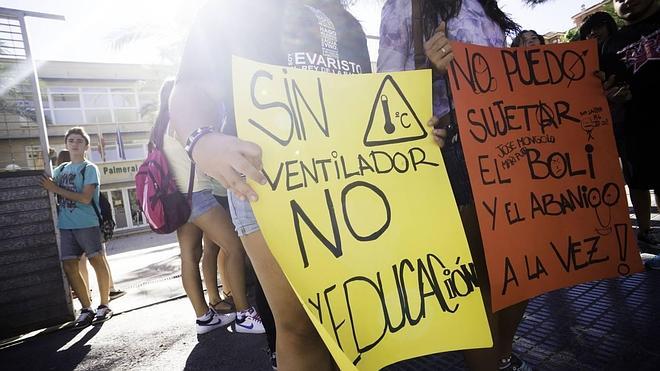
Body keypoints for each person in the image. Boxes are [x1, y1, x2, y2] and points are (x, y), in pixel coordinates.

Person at [169, 1, 371, 369]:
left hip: (351, 182)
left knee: (357, 318)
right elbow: (190, 86)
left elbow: (366, 101)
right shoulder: (234, 9)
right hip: (268, 184)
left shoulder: (348, 22)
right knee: (298, 325)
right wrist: (201, 139)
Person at [378, 1, 531, 371]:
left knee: (522, 269)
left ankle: (502, 356)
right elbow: (383, 91)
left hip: (506, 148)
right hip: (454, 154)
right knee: (480, 281)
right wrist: (428, 69)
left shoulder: (486, 7)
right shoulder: (405, 5)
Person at [155, 79, 265, 336]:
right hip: (198, 196)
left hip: (178, 200)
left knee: (189, 257)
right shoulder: (181, 123)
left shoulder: (160, 128)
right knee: (235, 247)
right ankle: (244, 315)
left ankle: (204, 317)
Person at [600, 0, 660, 249]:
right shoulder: (612, 44)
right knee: (638, 180)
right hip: (635, 125)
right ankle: (646, 233)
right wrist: (613, 93)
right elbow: (609, 85)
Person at [41, 127, 113, 329]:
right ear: (66, 144)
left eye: (79, 141)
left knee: (96, 261)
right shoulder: (61, 169)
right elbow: (46, 180)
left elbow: (85, 197)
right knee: (69, 265)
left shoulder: (89, 168)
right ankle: (86, 308)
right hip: (66, 226)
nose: (74, 144)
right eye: (71, 140)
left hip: (87, 223)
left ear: (86, 146)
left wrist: (56, 189)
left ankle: (104, 305)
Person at [56, 150, 127, 303]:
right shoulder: (63, 171)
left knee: (90, 260)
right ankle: (107, 291)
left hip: (87, 223)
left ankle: (95, 296)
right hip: (83, 224)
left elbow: (88, 199)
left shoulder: (86, 171)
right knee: (97, 258)